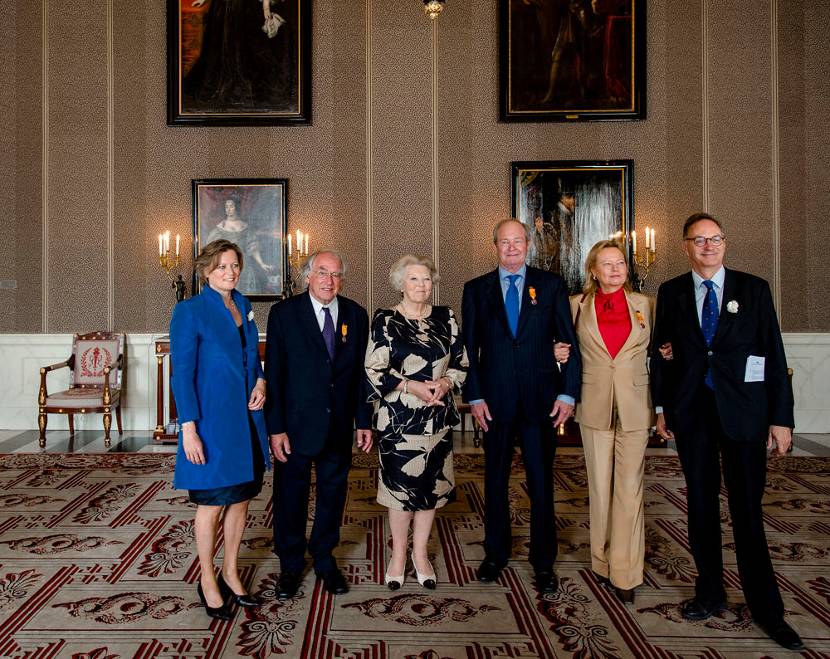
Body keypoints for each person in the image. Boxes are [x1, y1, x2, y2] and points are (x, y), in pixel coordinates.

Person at [651, 213, 803, 651]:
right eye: (699, 240)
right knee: (700, 508)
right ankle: (710, 592)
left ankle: (767, 610)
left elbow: (773, 355)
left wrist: (781, 419)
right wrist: (663, 407)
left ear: (725, 243)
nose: (708, 246)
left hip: (745, 416)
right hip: (693, 415)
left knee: (747, 513)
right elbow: (663, 354)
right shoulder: (672, 292)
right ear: (686, 247)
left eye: (715, 238)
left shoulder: (753, 289)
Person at [462, 219, 581, 593]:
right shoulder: (476, 289)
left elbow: (568, 341)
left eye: (518, 241)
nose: (511, 248)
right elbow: (468, 348)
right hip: (494, 402)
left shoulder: (550, 285)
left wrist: (567, 393)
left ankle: (543, 560)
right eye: (504, 242)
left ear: (528, 244)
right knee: (494, 480)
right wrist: (475, 396)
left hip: (540, 400)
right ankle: (495, 553)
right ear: (494, 245)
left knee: (541, 480)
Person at [170, 239, 271, 620]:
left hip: (246, 420)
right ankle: (208, 577)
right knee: (212, 503)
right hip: (210, 421)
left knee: (242, 497)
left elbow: (251, 359)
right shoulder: (189, 311)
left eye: (234, 266)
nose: (230, 273)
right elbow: (182, 374)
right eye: (222, 267)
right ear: (206, 271)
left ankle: (230, 569)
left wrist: (261, 383)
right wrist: (188, 429)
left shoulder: (243, 305)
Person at [265, 250, 373, 599]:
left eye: (336, 274)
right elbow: (275, 376)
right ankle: (291, 566)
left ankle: (325, 558)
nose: (329, 280)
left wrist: (363, 421)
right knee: (290, 497)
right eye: (322, 272)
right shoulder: (283, 314)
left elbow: (361, 375)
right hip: (294, 428)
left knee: (333, 494)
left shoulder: (356, 315)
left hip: (339, 425)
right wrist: (276, 428)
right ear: (307, 276)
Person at [365, 255, 468, 590]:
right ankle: (398, 555)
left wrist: (446, 383)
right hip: (399, 419)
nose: (421, 285)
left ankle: (420, 554)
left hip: (436, 417)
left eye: (426, 279)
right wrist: (413, 386)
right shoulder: (385, 319)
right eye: (414, 279)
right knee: (400, 490)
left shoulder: (446, 317)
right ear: (400, 283)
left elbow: (462, 362)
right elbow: (372, 369)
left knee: (431, 488)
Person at [565, 240, 654, 604]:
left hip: (636, 405)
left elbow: (664, 350)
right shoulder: (576, 305)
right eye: (607, 264)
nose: (616, 269)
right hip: (594, 403)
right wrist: (559, 357)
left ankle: (626, 571)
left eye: (620, 263)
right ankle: (601, 563)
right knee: (600, 488)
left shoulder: (646, 305)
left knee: (629, 488)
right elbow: (564, 351)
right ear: (593, 271)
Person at [206, 195, 275, 295]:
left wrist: (261, 264)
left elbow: (253, 248)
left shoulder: (245, 227)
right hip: (226, 269)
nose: (228, 209)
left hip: (246, 266)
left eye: (231, 206)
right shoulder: (219, 229)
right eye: (226, 207)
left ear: (236, 207)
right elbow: (210, 253)